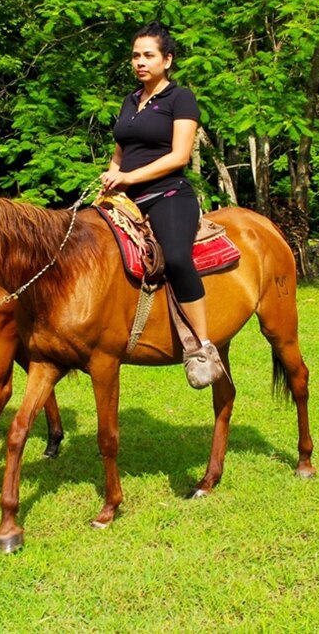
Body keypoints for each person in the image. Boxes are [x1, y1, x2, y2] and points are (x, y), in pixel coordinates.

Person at [100, 21, 224, 389]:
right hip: (125, 199)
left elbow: (179, 156)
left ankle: (202, 347)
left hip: (167, 195)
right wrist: (111, 181)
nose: (140, 62)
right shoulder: (129, 101)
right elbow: (120, 153)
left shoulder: (180, 98)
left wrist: (128, 178)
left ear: (167, 60)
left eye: (148, 55)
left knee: (178, 257)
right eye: (135, 56)